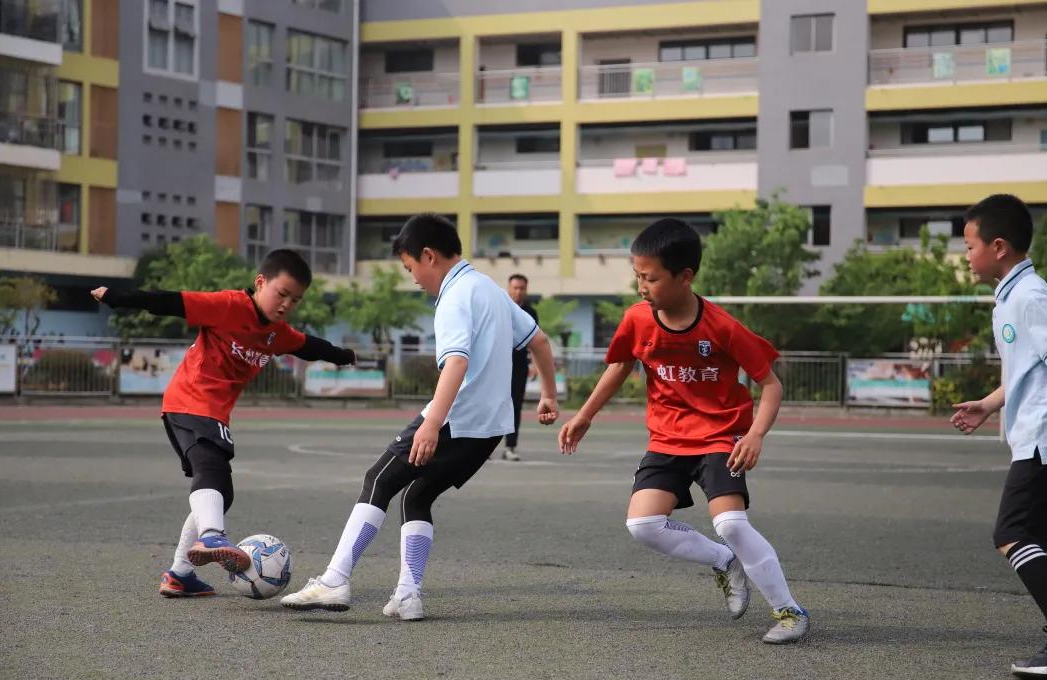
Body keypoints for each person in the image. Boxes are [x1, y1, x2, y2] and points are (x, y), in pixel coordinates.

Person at [280, 214, 559, 619]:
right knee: (417, 495)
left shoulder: (455, 296)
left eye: (410, 268)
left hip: (454, 419)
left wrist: (431, 424)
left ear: (428, 256)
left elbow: (457, 363)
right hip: (490, 429)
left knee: (378, 479)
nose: (413, 278)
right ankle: (408, 596)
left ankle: (335, 579)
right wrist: (548, 394)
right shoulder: (491, 290)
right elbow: (540, 339)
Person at [558, 218, 809, 644]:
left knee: (730, 522)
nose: (641, 285)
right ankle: (722, 562)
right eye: (637, 275)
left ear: (685, 276)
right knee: (643, 525)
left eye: (650, 277)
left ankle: (790, 611)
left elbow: (771, 384)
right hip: (667, 438)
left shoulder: (723, 327)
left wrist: (756, 435)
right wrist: (585, 415)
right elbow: (620, 365)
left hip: (719, 436)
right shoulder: (637, 320)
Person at [91, 249, 355, 598]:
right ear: (260, 282)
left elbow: (308, 346)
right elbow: (170, 302)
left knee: (221, 490)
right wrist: (117, 297)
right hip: (190, 401)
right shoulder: (229, 306)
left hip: (212, 412)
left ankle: (181, 575)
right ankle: (212, 534)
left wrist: (342, 356)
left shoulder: (276, 333)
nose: (286, 304)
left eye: (295, 299)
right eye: (281, 293)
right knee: (211, 468)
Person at [950, 193, 1047, 678]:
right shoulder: (1011, 294)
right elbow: (1029, 368)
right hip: (1040, 433)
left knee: (1013, 533)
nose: (966, 256)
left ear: (997, 246)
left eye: (968, 246)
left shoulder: (1030, 295)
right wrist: (989, 403)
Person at [504, 273, 539, 461]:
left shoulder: (531, 313)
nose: (518, 291)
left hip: (519, 366)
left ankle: (510, 446)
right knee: (490, 405)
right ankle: (481, 448)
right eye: (515, 287)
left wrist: (534, 363)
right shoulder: (499, 308)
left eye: (522, 288)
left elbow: (536, 341)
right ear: (508, 289)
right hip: (496, 366)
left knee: (514, 407)